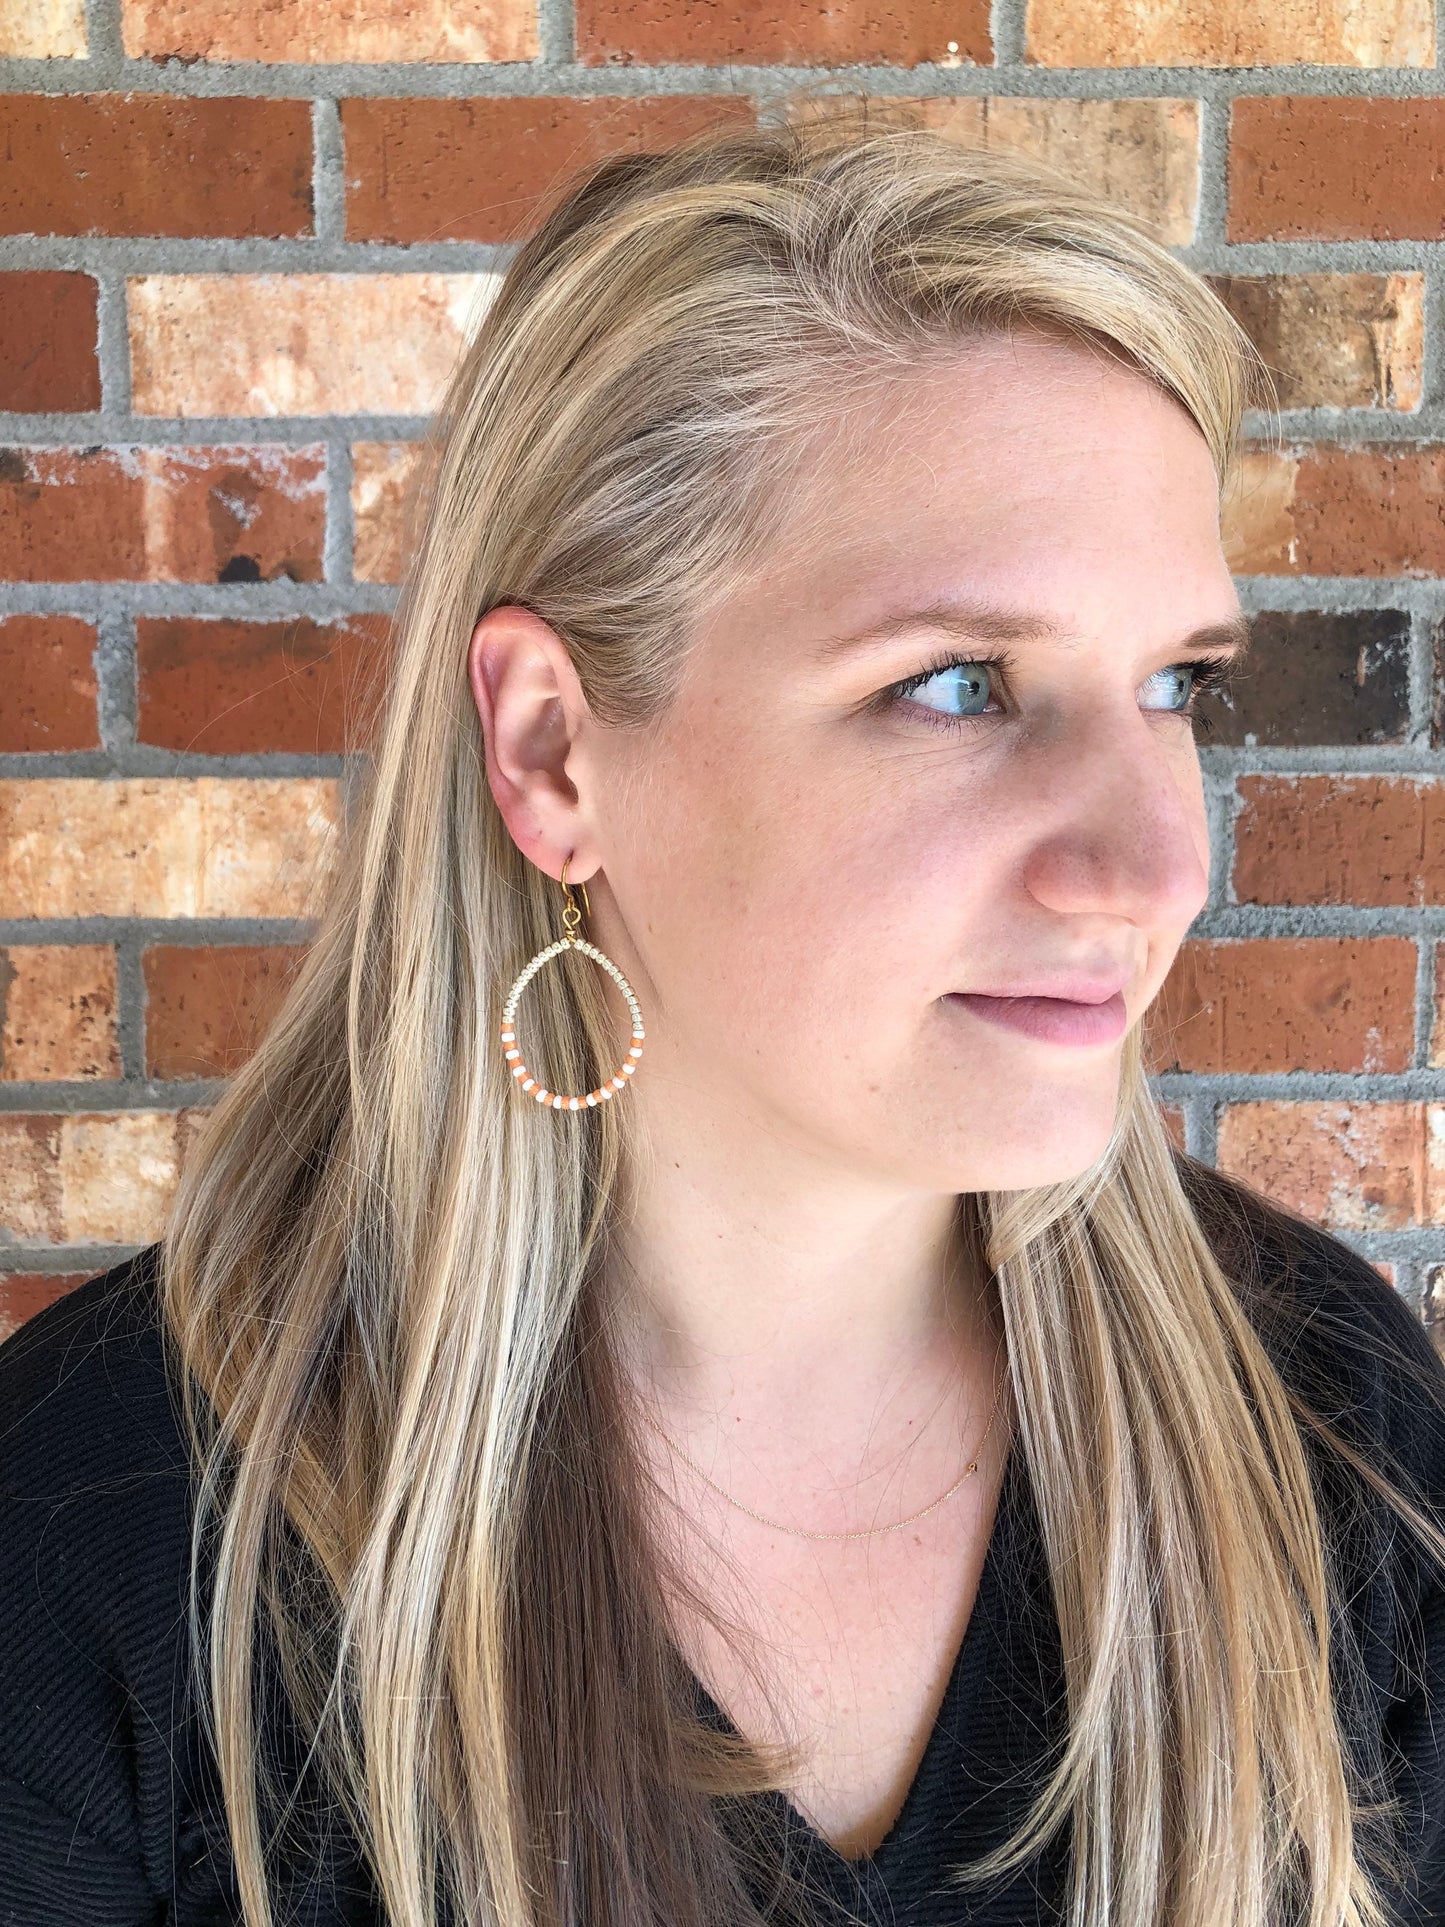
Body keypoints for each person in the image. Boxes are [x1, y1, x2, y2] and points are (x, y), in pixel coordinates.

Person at [3, 104, 1445, 1927]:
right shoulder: (107, 1547)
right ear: (550, 749)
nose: (1154, 866)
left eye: (1174, 686)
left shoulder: (1320, 1431)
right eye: (957, 685)